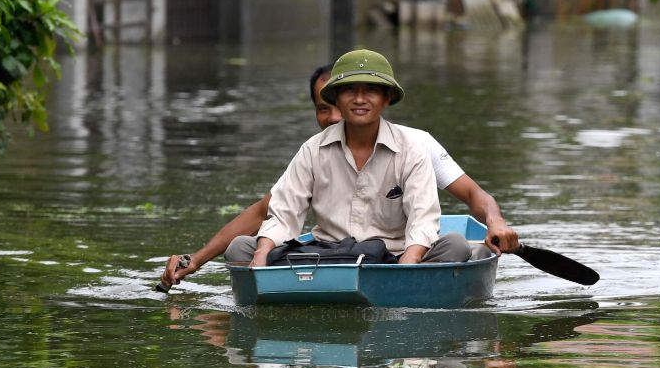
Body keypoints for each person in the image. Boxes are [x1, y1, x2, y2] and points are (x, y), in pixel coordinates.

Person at [159, 57, 519, 288]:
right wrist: (223, 259)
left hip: (392, 260)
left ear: (387, 99)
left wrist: (406, 274)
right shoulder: (313, 150)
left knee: (456, 245)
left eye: (370, 92)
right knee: (241, 248)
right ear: (334, 101)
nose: (357, 101)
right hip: (326, 256)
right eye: (345, 95)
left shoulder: (415, 146)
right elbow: (273, 211)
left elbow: (437, 215)